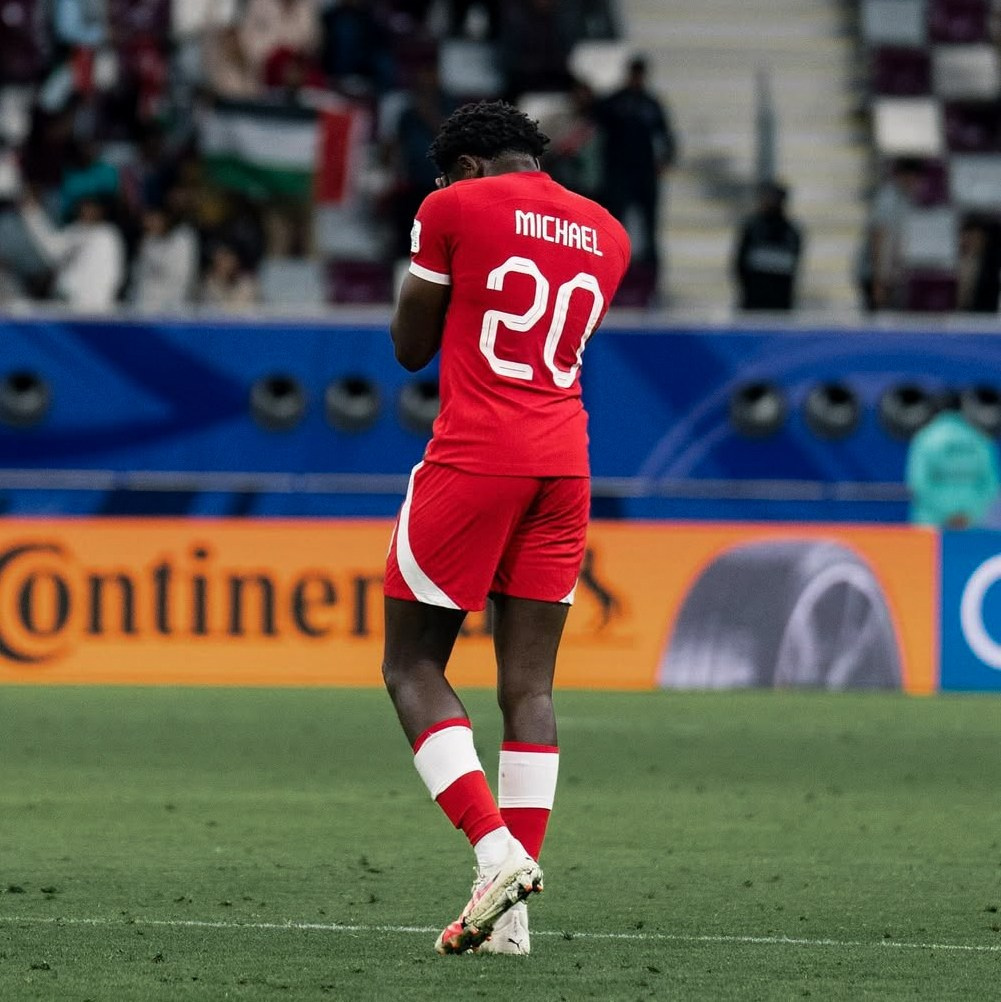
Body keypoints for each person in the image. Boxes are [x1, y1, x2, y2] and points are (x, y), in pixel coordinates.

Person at [382, 100, 630, 956]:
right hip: (564, 460)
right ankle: (511, 917)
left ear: (471, 164)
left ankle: (495, 854)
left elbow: (411, 347)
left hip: (476, 454)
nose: (441, 187)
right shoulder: (608, 232)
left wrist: (429, 258)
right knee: (529, 688)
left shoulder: (451, 207)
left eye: (447, 172)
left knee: (411, 661)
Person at [595, 55, 675, 282]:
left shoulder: (651, 104)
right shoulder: (614, 102)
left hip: (644, 174)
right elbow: (593, 123)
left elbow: (667, 136)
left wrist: (666, 160)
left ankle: (650, 275)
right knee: (614, 223)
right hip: (618, 174)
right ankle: (611, 269)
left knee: (649, 226)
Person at [20, 193, 125, 310]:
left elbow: (114, 273)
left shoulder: (109, 235)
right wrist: (33, 214)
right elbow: (52, 249)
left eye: (91, 207)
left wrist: (103, 301)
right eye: (84, 207)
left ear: (100, 210)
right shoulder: (75, 231)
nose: (87, 211)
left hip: (95, 306)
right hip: (66, 301)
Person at [906, 401, 1000, 529]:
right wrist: (968, 513)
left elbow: (918, 483)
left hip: (931, 527)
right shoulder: (980, 439)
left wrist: (946, 514)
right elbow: (990, 483)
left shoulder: (925, 438)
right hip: (970, 524)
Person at [857, 157, 924, 311]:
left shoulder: (906, 199)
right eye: (914, 178)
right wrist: (877, 281)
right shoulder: (887, 199)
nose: (916, 184)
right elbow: (878, 238)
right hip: (874, 272)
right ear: (904, 176)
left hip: (891, 273)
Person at [732, 181, 803, 311]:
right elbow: (739, 265)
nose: (768, 203)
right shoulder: (752, 228)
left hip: (780, 305)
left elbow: (792, 267)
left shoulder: (791, 232)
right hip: (752, 303)